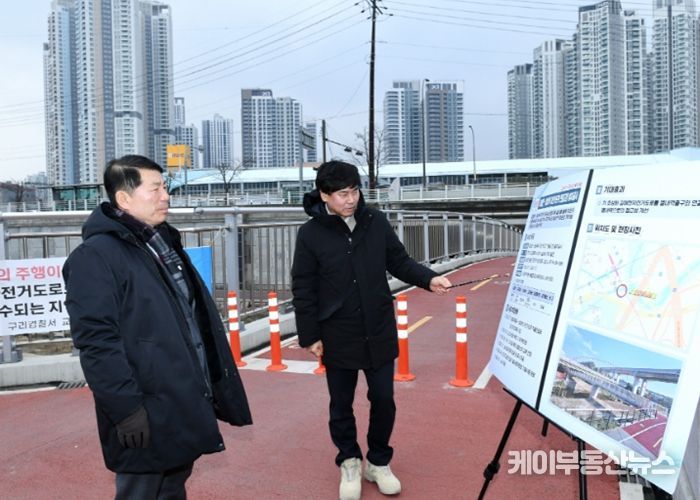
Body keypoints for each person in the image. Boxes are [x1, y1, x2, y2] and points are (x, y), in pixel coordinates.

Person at [63, 155, 252, 500]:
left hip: (180, 395)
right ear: (124, 198)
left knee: (172, 487)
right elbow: (96, 342)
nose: (166, 196)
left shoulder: (160, 243)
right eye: (155, 189)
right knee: (141, 490)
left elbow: (189, 316)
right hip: (144, 404)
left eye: (165, 187)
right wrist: (126, 410)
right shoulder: (95, 256)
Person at [291, 161, 451, 500]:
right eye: (342, 194)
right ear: (324, 195)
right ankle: (349, 460)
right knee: (341, 403)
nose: (351, 199)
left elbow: (399, 261)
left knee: (383, 399)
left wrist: (429, 279)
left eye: (355, 191)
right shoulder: (310, 234)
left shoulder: (375, 221)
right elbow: (303, 287)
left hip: (377, 326)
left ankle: (378, 462)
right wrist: (310, 335)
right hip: (337, 331)